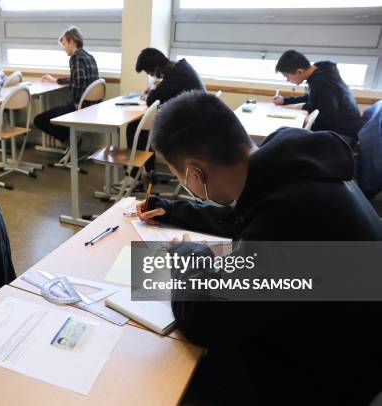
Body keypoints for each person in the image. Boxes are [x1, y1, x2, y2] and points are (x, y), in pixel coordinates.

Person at [136, 91, 382, 404]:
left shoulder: (287, 217)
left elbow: (204, 320)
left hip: (331, 377)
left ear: (195, 172)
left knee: (173, 374)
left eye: (179, 176)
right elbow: (244, 216)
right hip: (339, 336)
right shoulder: (290, 166)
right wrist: (173, 210)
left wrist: (189, 254)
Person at [127, 48, 205, 179]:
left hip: (192, 127)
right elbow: (163, 91)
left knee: (135, 127)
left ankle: (135, 176)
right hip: (197, 120)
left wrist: (152, 92)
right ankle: (148, 172)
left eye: (150, 73)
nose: (152, 77)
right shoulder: (181, 67)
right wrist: (155, 89)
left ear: (157, 69)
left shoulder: (175, 77)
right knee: (144, 126)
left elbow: (152, 100)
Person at [273, 50, 364, 142]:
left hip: (342, 135)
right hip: (342, 129)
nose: (287, 80)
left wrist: (301, 113)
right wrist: (285, 100)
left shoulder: (321, 82)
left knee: (288, 138)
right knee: (288, 133)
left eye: (287, 76)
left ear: (299, 71)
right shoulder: (320, 71)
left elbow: (326, 116)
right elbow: (313, 97)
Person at [33, 26, 100, 145]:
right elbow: (78, 78)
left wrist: (75, 103)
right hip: (94, 107)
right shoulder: (89, 57)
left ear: (71, 41)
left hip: (81, 107)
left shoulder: (75, 58)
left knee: (39, 120)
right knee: (58, 112)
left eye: (64, 44)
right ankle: (71, 137)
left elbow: (79, 82)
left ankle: (70, 139)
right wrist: (55, 81)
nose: (64, 48)